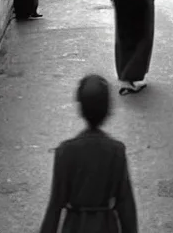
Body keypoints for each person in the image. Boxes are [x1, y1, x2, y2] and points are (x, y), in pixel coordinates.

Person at [39, 74, 138, 233]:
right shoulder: (116, 151)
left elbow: (55, 206)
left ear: (81, 109)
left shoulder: (65, 152)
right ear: (107, 110)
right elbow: (125, 204)